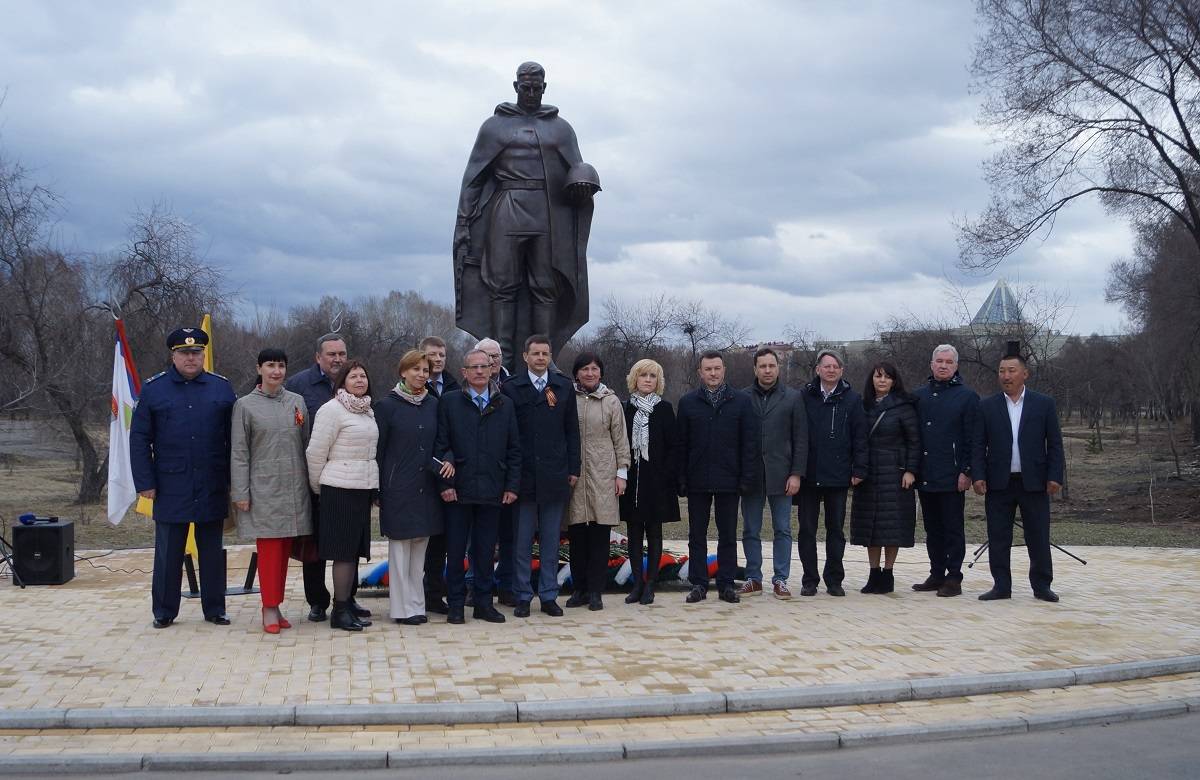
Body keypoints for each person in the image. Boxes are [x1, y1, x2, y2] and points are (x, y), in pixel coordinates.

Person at [454, 61, 599, 374]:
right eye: (525, 87)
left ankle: (542, 361)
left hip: (548, 212)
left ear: (545, 88)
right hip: (507, 206)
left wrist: (583, 186)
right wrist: (464, 223)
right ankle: (501, 362)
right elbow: (474, 178)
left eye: (537, 87)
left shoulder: (561, 128)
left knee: (545, 285)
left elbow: (576, 170)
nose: (531, 92)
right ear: (516, 86)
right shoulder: (494, 126)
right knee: (502, 285)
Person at [130, 327, 236, 628]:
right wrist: (145, 483)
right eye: (184, 353)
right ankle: (164, 611)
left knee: (212, 551)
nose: (191, 358)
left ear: (203, 354)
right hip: (170, 484)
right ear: (172, 355)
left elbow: (234, 440)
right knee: (169, 552)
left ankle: (215, 608)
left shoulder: (221, 388)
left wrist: (234, 480)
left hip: (213, 481)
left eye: (196, 352)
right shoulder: (154, 389)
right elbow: (139, 439)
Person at [284, 333, 370, 624]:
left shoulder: (360, 399)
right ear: (318, 357)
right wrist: (315, 483)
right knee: (317, 546)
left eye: (341, 354)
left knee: (348, 544)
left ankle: (347, 598)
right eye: (331, 354)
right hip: (316, 477)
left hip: (350, 481)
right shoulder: (299, 385)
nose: (337, 359)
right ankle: (318, 601)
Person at [435, 349, 522, 624]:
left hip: (492, 489)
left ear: (492, 368)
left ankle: (484, 603)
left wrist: (511, 485)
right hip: (458, 490)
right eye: (474, 367)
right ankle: (457, 605)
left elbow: (514, 450)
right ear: (464, 372)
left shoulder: (504, 404)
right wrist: (445, 484)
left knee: (484, 551)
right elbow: (441, 445)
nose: (480, 372)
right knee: (456, 549)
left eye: (485, 366)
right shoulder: (449, 402)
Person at [972, 344, 1065, 602]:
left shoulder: (1043, 404)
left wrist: (1055, 476)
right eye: (1002, 371)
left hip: (1034, 482)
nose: (1006, 375)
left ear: (1025, 374)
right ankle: (1001, 585)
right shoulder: (987, 406)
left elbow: (1055, 443)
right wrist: (978, 475)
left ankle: (1042, 585)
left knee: (1038, 535)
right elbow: (978, 444)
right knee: (999, 536)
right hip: (999, 482)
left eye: (1012, 370)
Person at [230, 348, 312, 633]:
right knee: (269, 551)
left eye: (280, 366)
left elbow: (306, 444)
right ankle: (268, 607)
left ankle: (276, 605)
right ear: (259, 368)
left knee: (285, 551)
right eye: (270, 365)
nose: (276, 371)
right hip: (263, 489)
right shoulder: (245, 405)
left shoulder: (297, 402)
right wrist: (240, 491)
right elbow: (239, 452)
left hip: (293, 488)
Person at [501, 334, 580, 618]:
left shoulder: (563, 387)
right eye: (535, 353)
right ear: (525, 357)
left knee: (550, 541)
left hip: (554, 474)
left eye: (545, 353)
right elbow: (506, 434)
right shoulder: (511, 388)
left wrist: (573, 468)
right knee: (522, 541)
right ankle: (523, 595)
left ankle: (548, 595)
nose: (540, 358)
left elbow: (572, 431)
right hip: (522, 476)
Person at [375, 350, 454, 625]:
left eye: (425, 370)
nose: (421, 374)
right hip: (398, 487)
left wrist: (447, 461)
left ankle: (416, 606)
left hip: (427, 487)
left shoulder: (434, 404)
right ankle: (400, 608)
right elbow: (379, 450)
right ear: (403, 372)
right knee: (399, 551)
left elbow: (443, 443)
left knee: (420, 549)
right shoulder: (386, 406)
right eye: (416, 369)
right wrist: (379, 489)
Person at [675, 350, 757, 604]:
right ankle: (698, 584)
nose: (713, 373)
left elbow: (749, 444)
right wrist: (681, 477)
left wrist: (746, 477)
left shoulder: (741, 401)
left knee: (728, 534)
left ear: (724, 371)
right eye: (708, 369)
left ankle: (726, 584)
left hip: (729, 479)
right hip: (698, 478)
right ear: (700, 372)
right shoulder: (688, 402)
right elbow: (681, 444)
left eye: (717, 369)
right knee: (696, 534)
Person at [306, 360, 378, 631]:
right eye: (353, 376)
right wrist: (319, 488)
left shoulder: (366, 411)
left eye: (363, 375)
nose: (360, 380)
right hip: (338, 489)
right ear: (342, 381)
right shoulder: (332, 410)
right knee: (343, 554)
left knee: (353, 552)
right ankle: (339, 611)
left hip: (361, 488)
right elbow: (315, 453)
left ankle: (347, 603)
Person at [796, 349, 868, 597]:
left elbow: (860, 437)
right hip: (809, 474)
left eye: (835, 366)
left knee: (835, 530)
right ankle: (809, 580)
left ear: (841, 371)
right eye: (826, 366)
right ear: (817, 369)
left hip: (839, 475)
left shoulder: (852, 399)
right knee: (806, 529)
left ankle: (834, 579)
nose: (830, 370)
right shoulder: (804, 396)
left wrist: (859, 468)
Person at [911, 344, 979, 598]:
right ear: (931, 364)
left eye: (948, 362)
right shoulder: (919, 396)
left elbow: (973, 438)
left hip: (952, 475)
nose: (943, 365)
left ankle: (954, 577)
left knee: (952, 528)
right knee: (932, 528)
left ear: (956, 366)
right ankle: (936, 573)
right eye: (939, 361)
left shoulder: (967, 397)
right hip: (925, 473)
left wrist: (967, 471)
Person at [739, 347, 807, 600]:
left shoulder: (792, 397)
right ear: (755, 369)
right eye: (762, 366)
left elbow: (801, 439)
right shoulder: (743, 397)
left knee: (783, 529)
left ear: (778, 368)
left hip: (782, 474)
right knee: (750, 529)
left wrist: (796, 473)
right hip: (752, 475)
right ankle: (753, 578)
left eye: (772, 366)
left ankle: (781, 579)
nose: (767, 370)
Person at [564, 353, 630, 611]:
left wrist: (621, 473)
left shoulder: (611, 401)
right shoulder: (569, 398)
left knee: (600, 537)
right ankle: (578, 588)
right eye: (584, 369)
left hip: (603, 473)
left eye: (594, 369)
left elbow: (620, 439)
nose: (590, 373)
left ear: (600, 373)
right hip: (575, 476)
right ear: (577, 373)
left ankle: (595, 591)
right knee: (577, 536)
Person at [849, 362, 921, 595]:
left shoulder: (904, 406)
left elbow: (914, 441)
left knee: (892, 527)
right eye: (878, 376)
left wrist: (911, 470)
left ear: (894, 381)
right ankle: (873, 573)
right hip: (868, 473)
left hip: (895, 473)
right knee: (870, 526)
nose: (882, 381)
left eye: (887, 377)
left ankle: (888, 574)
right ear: (871, 379)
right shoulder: (862, 406)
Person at [619, 359, 680, 606]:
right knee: (634, 532)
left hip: (658, 481)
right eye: (643, 375)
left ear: (658, 381)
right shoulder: (625, 408)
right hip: (632, 481)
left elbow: (673, 446)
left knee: (654, 532)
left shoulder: (664, 409)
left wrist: (666, 475)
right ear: (635, 378)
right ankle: (637, 583)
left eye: (652, 376)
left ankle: (651, 584)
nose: (647, 380)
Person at [418, 335, 458, 616]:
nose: (438, 359)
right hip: (421, 476)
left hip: (450, 471)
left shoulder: (456, 386)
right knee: (421, 539)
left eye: (442, 354)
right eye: (433, 354)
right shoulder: (414, 389)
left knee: (441, 541)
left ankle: (434, 593)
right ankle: (413, 594)